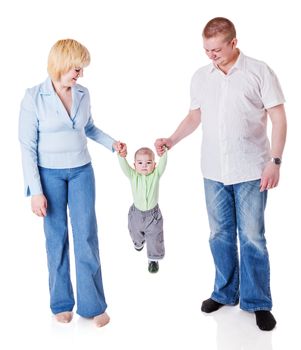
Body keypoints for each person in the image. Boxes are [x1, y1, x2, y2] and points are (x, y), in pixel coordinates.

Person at [155, 17, 287, 331]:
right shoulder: (201, 77)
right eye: (206, 49)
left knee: (252, 238)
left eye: (216, 49)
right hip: (213, 170)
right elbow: (194, 115)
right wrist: (171, 140)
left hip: (252, 169)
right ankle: (225, 293)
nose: (210, 55)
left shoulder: (259, 71)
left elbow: (279, 119)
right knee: (219, 235)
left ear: (233, 42)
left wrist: (275, 161)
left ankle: (258, 302)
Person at [18, 39, 127, 327]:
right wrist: (36, 192)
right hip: (48, 175)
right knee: (56, 240)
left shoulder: (82, 93)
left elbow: (88, 127)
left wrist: (112, 144)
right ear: (62, 64)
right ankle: (61, 303)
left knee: (86, 236)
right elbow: (27, 146)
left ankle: (93, 306)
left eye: (81, 69)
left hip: (81, 172)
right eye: (77, 68)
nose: (80, 74)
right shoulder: (33, 97)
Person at [117, 147, 167, 273]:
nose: (144, 166)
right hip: (136, 214)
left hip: (153, 216)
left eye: (148, 162)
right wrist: (121, 155)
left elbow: (163, 164)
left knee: (155, 237)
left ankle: (153, 259)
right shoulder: (133, 175)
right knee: (135, 232)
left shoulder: (156, 174)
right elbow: (124, 167)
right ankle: (138, 243)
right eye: (140, 163)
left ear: (154, 164)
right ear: (134, 165)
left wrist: (164, 152)